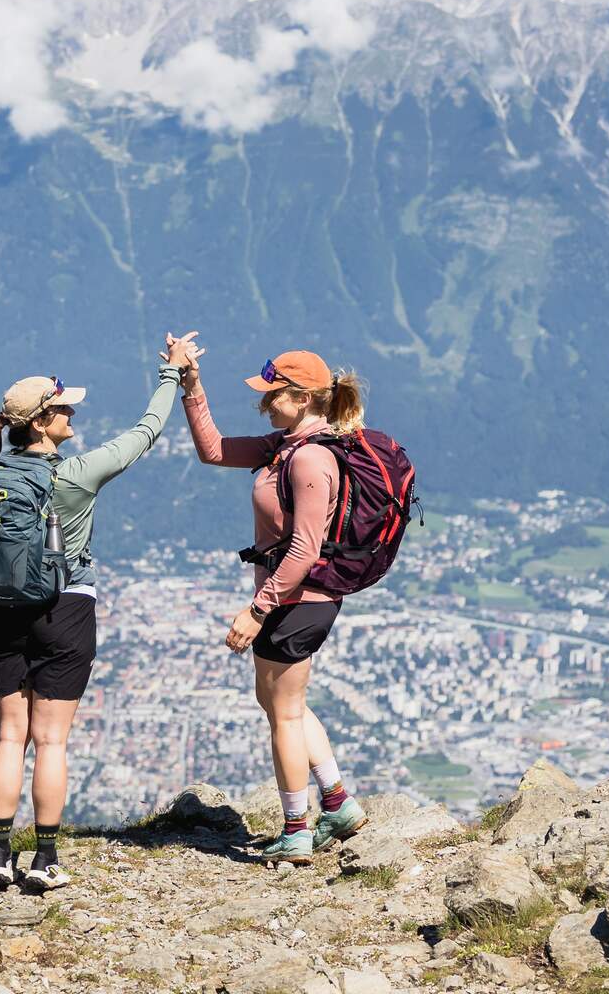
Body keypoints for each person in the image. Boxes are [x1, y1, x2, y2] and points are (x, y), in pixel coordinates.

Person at [0, 350, 188, 892]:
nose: (72, 417)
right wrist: (171, 375)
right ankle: (45, 860)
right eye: (63, 410)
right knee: (51, 742)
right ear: (40, 423)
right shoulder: (77, 476)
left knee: (10, 738)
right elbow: (146, 432)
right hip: (66, 609)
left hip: (5, 613)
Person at [167, 336, 369, 865]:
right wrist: (191, 385)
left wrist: (257, 608)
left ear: (303, 397)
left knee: (280, 715)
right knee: (284, 705)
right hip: (298, 597)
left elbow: (303, 546)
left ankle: (296, 829)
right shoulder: (284, 447)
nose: (263, 403)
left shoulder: (310, 460)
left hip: (298, 598)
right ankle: (338, 802)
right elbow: (213, 450)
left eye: (272, 394)